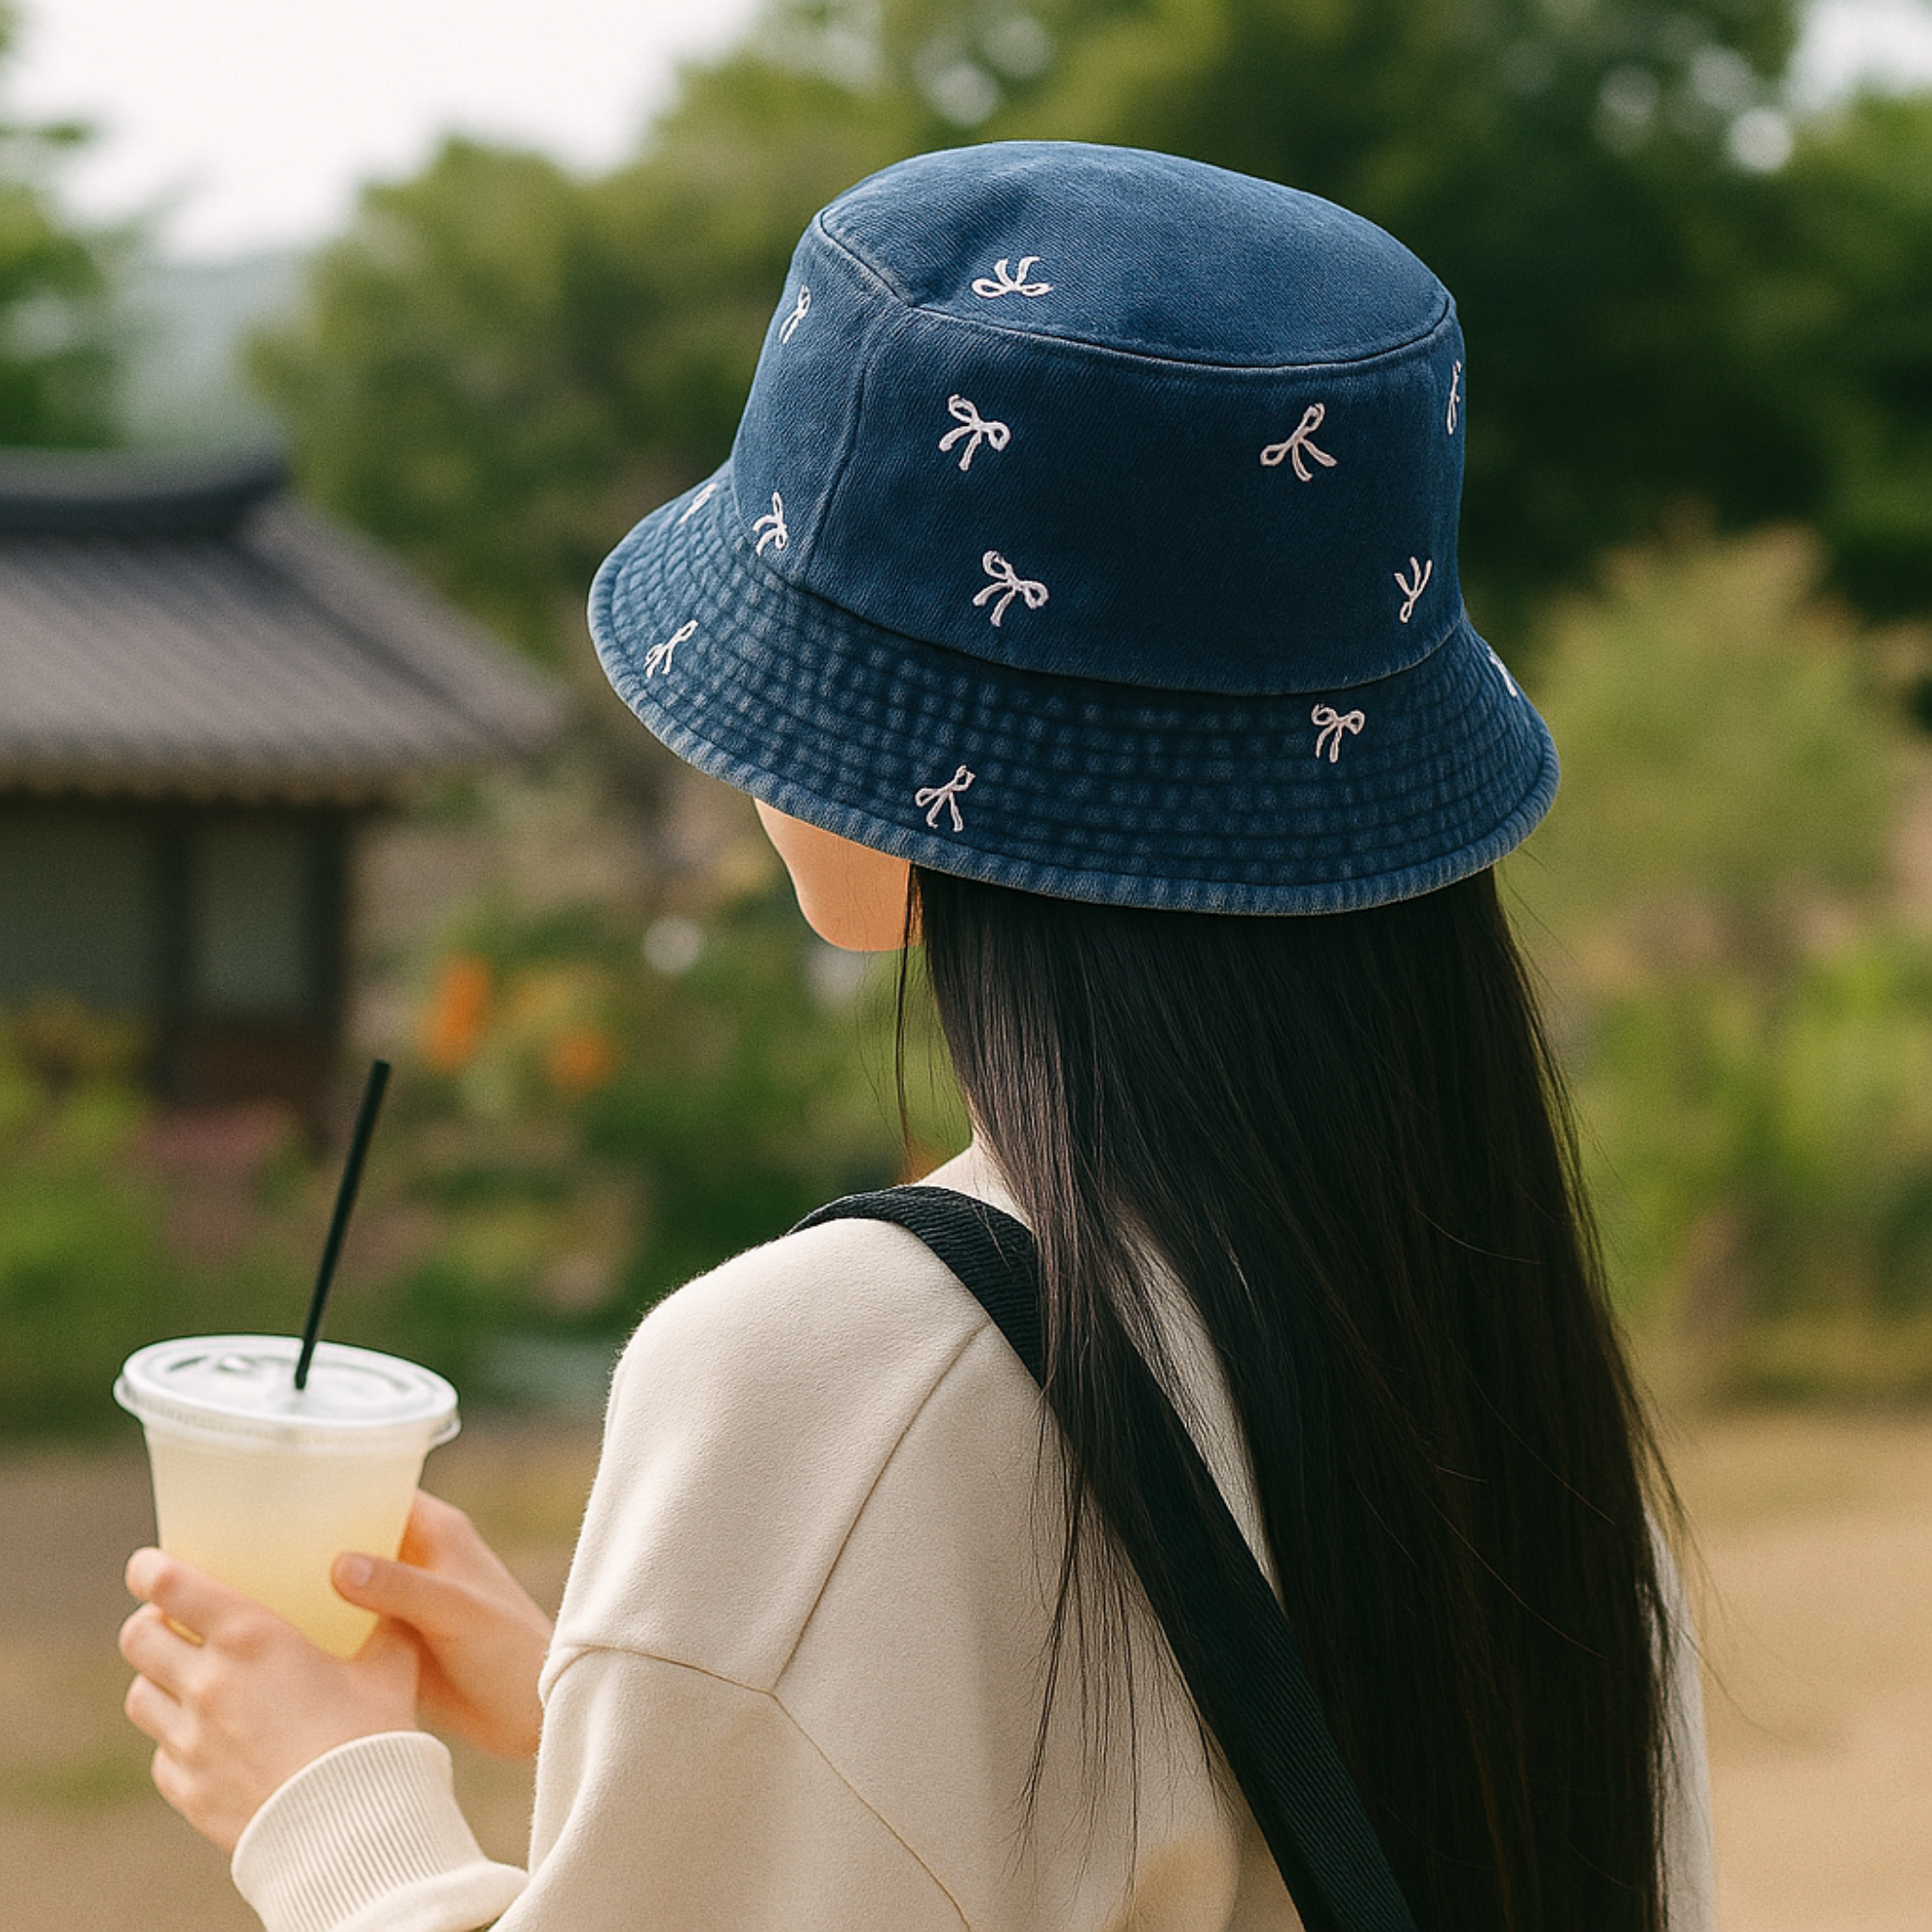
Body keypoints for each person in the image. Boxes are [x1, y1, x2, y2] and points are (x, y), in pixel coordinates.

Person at [119, 141, 1715, 1932]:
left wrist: (338, 1819)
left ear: (906, 768)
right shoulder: (1509, 1396)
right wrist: (664, 1691)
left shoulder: (842, 1375)